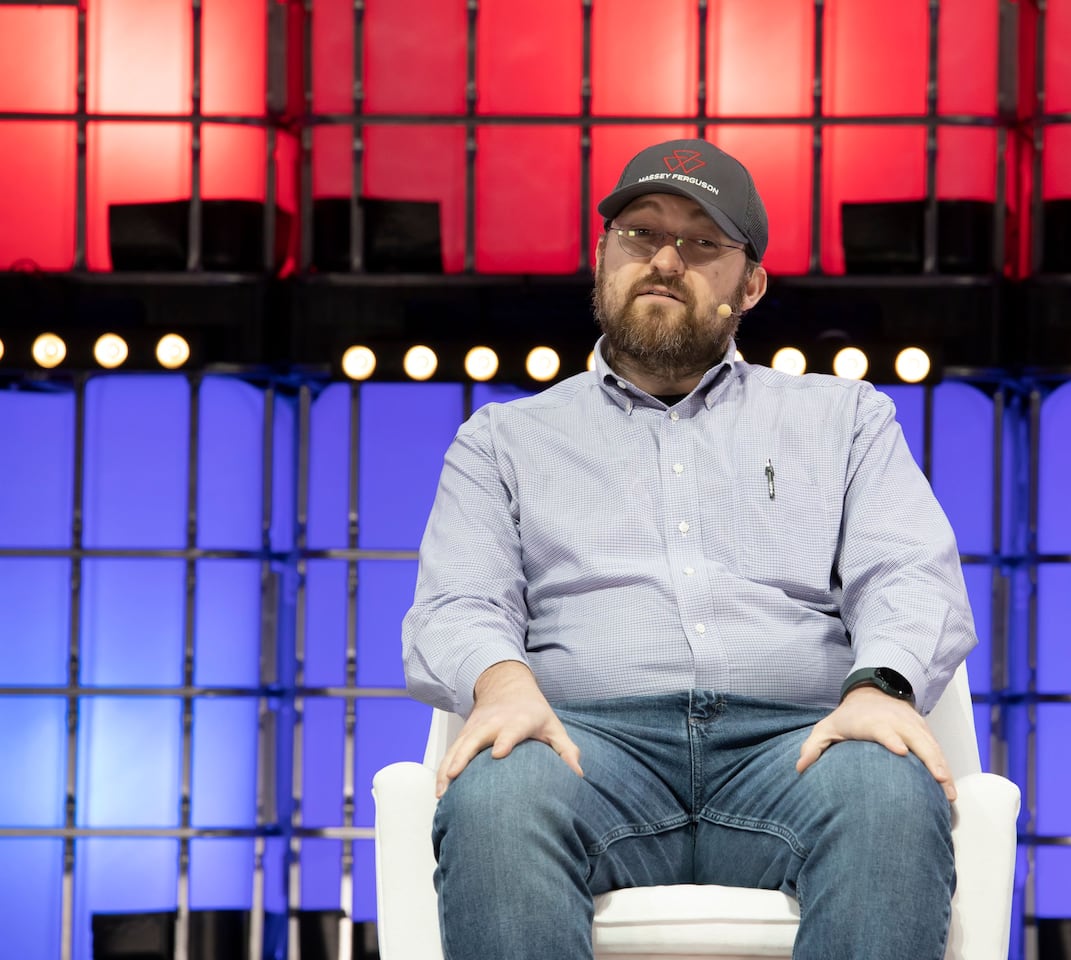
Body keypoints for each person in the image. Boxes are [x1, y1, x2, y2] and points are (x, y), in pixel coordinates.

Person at [401, 138, 977, 960]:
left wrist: (882, 688)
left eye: (703, 243)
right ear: (602, 257)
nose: (666, 259)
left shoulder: (845, 419)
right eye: (640, 234)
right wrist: (499, 685)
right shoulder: (503, 440)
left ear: (751, 283)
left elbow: (911, 573)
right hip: (589, 750)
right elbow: (459, 601)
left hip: (795, 750)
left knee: (884, 786)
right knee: (500, 793)